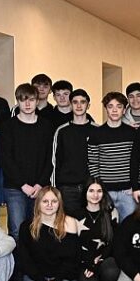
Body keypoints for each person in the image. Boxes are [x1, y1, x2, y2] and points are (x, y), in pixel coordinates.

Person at [16, 187, 81, 281]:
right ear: (38, 203)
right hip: (36, 275)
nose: (50, 205)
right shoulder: (26, 227)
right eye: (45, 201)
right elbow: (25, 261)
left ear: (59, 203)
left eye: (54, 201)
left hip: (63, 275)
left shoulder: (69, 223)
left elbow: (72, 260)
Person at [0, 83, 54, 238]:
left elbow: (50, 158)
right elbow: (6, 159)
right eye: (23, 100)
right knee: (17, 231)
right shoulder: (8, 126)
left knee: (39, 231)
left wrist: (39, 184)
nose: (27, 104)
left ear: (37, 101)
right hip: (15, 188)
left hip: (40, 187)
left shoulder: (46, 126)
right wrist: (23, 185)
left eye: (31, 99)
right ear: (17, 102)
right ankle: (18, 257)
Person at [87, 91, 140, 220]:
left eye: (119, 106)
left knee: (129, 226)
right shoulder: (96, 134)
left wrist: (135, 186)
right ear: (106, 109)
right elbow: (93, 164)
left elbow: (137, 162)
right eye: (110, 106)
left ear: (124, 110)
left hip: (127, 192)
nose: (114, 110)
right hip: (105, 191)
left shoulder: (132, 134)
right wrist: (99, 188)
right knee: (105, 227)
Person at [75, 178, 119, 281]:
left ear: (103, 193)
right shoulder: (75, 215)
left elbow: (114, 242)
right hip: (84, 261)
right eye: (91, 191)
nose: (95, 195)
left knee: (111, 272)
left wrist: (99, 260)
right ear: (85, 192)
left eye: (99, 191)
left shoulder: (111, 212)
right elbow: (73, 245)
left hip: (104, 259)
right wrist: (90, 264)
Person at [51, 88, 95, 216]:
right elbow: (55, 162)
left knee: (90, 224)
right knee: (69, 224)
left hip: (91, 187)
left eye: (83, 102)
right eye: (75, 102)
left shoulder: (97, 130)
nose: (79, 105)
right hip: (67, 188)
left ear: (88, 105)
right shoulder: (61, 131)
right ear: (70, 105)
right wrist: (54, 189)